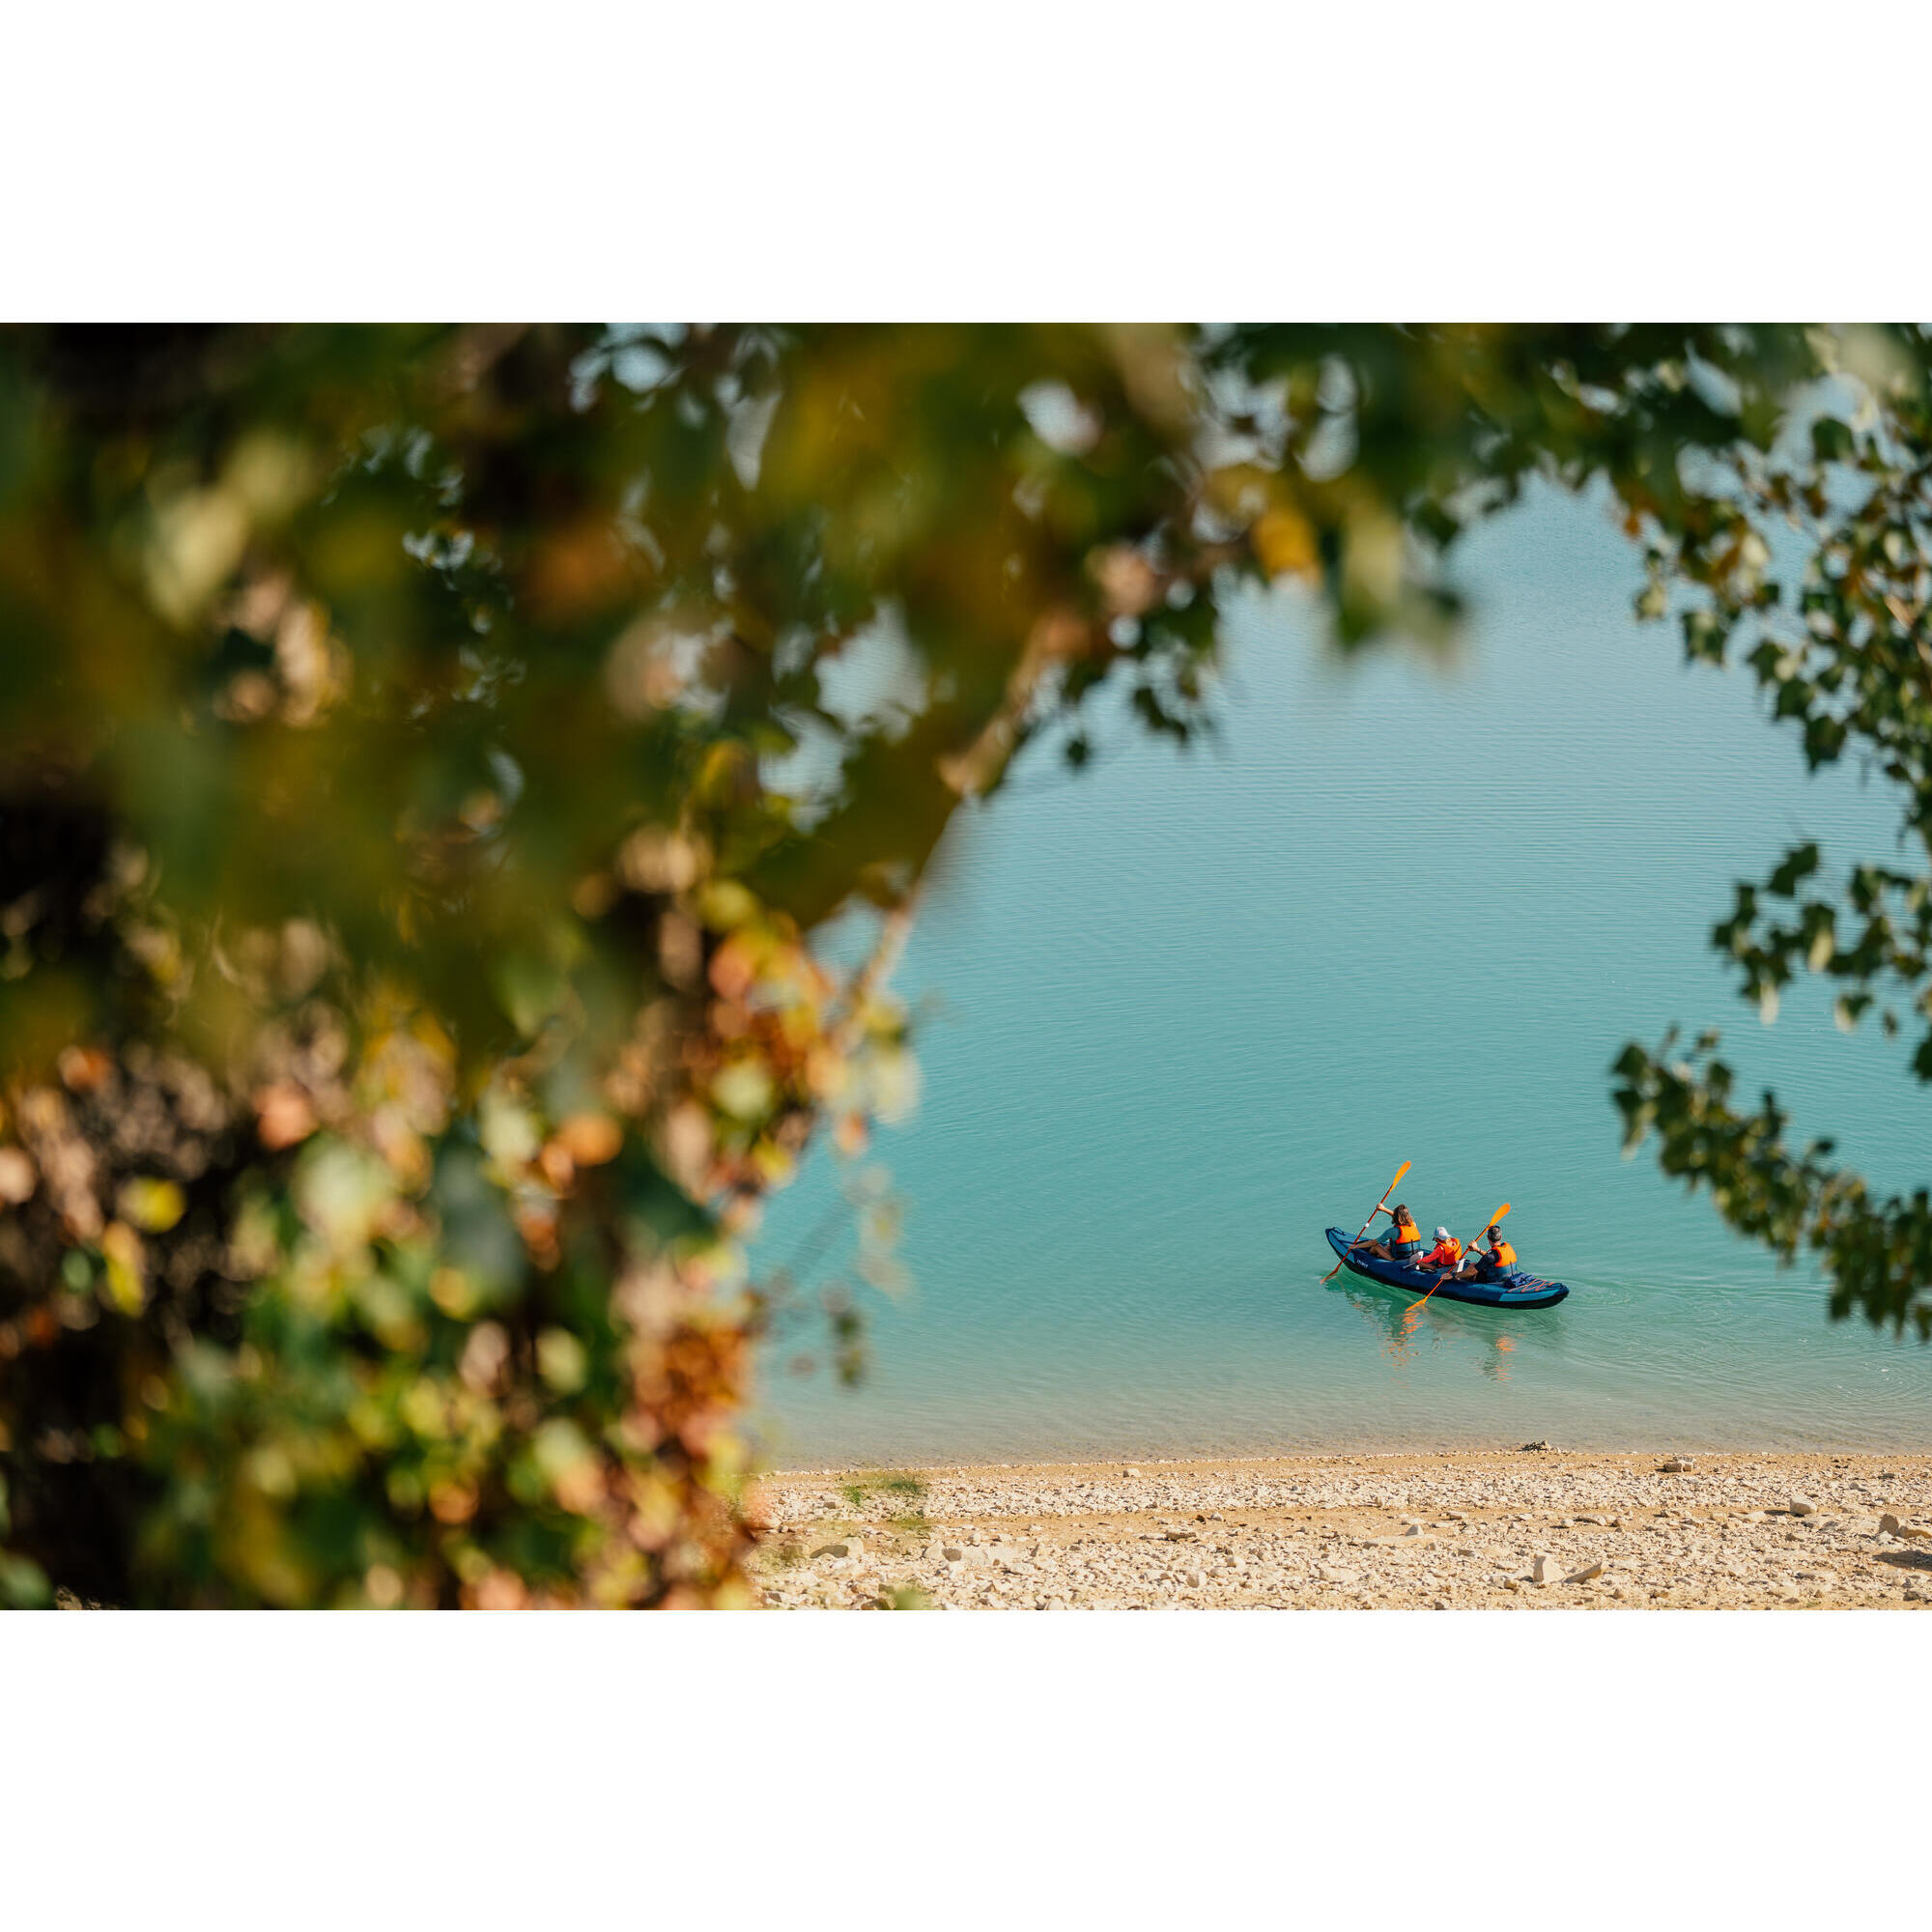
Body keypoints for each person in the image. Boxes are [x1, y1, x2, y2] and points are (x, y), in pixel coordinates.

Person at [1355, 1202, 1424, 1264]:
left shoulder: (1394, 1231)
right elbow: (1400, 1216)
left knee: (1375, 1245)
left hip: (1399, 1260)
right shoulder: (1413, 1224)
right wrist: (1384, 1209)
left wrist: (1355, 1246)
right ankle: (1379, 1256)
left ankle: (1369, 1260)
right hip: (1415, 1258)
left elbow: (1373, 1242)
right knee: (1391, 1244)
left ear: (1396, 1217)